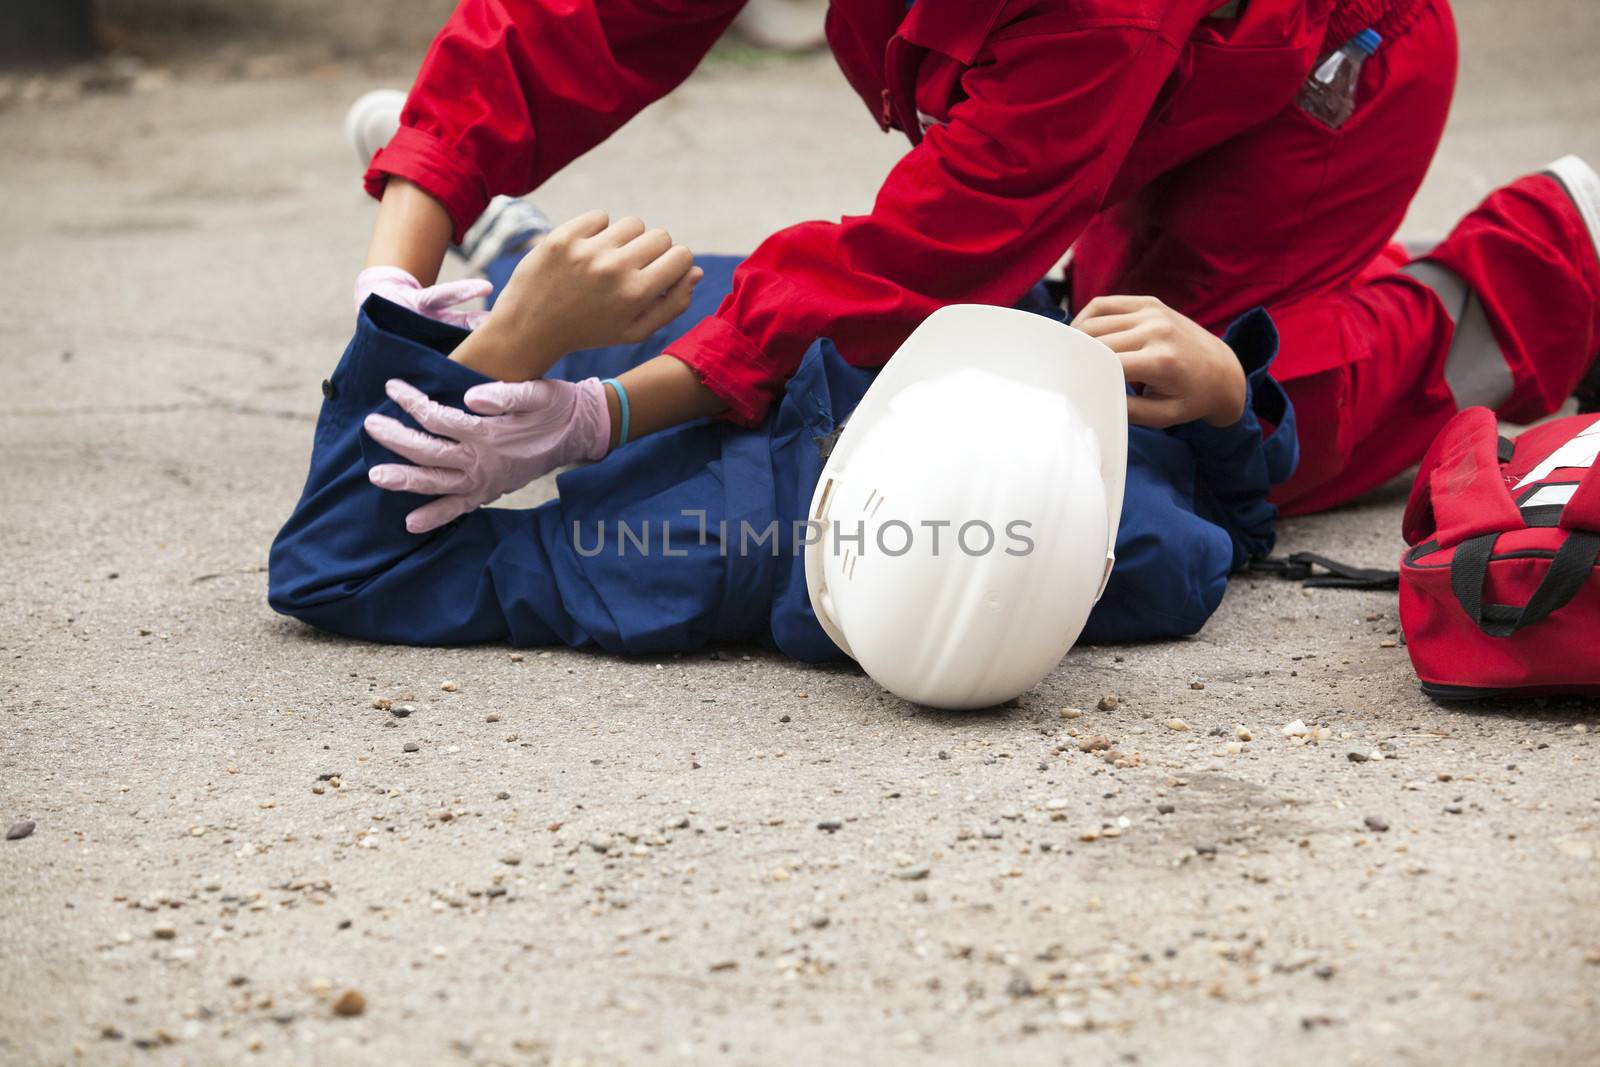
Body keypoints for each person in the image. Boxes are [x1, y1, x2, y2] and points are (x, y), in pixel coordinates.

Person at [351, 0, 1600, 519]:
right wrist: (395, 265)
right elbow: (580, 21)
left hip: (1326, 81)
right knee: (1028, 341)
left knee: (1181, 418)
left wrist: (596, 413)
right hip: (1141, 86)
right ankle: (514, 257)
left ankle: (1534, 269)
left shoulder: (1095, 16)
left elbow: (919, 266)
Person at [268, 214, 1295, 661]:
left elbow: (335, 573)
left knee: (572, 284)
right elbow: (1240, 523)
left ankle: (503, 260)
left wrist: (493, 349)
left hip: (633, 332)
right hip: (776, 302)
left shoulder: (686, 560)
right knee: (693, 280)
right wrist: (1222, 396)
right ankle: (514, 250)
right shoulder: (1135, 543)